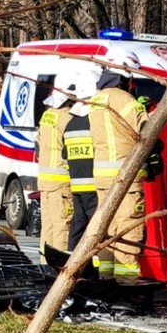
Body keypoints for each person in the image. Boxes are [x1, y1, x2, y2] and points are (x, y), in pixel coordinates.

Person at [89, 49, 149, 284]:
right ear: (124, 72)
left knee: (107, 230)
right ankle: (127, 284)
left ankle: (105, 279)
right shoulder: (125, 100)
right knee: (127, 230)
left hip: (102, 178)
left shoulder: (96, 99)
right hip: (125, 178)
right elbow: (147, 130)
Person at [36, 69, 74, 262]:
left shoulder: (47, 115)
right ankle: (59, 266)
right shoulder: (68, 118)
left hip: (45, 181)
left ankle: (45, 263)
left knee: (48, 225)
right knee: (62, 226)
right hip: (62, 182)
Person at [61, 69, 101, 252]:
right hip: (95, 185)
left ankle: (71, 260)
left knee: (78, 225)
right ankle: (96, 263)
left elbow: (65, 154)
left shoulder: (71, 125)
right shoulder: (95, 122)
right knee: (97, 227)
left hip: (77, 186)